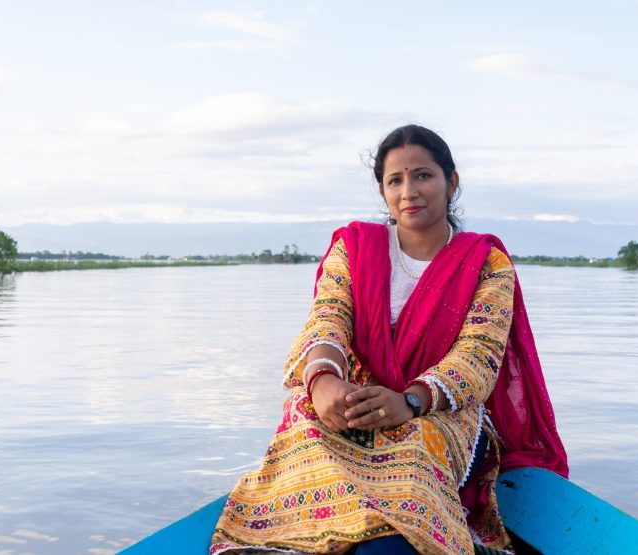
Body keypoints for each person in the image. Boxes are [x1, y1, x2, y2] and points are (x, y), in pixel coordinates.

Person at [210, 124, 568, 555]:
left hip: (438, 408)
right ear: (382, 192)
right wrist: (324, 381)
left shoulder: (486, 262)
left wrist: (411, 401)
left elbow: (478, 356)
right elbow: (329, 316)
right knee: (307, 422)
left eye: (423, 175)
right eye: (394, 180)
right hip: (355, 398)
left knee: (414, 463)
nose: (408, 192)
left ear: (451, 181)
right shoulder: (356, 246)